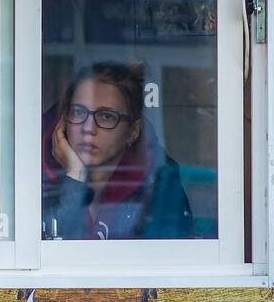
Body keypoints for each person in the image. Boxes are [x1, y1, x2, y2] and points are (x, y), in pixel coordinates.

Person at [41, 62, 193, 240]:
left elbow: (170, 260)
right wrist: (74, 178)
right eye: (78, 112)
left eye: (106, 116)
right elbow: (57, 257)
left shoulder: (159, 183)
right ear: (63, 120)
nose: (88, 128)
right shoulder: (31, 174)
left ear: (133, 131)